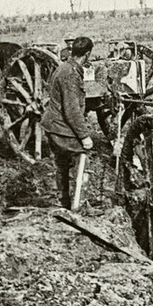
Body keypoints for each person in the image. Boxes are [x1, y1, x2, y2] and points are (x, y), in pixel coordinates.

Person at [41, 36, 94, 208]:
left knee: (62, 164)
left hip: (54, 125)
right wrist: (84, 136)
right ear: (87, 54)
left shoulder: (64, 68)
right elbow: (72, 111)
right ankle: (79, 206)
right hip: (60, 126)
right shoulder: (70, 74)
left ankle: (63, 203)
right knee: (83, 158)